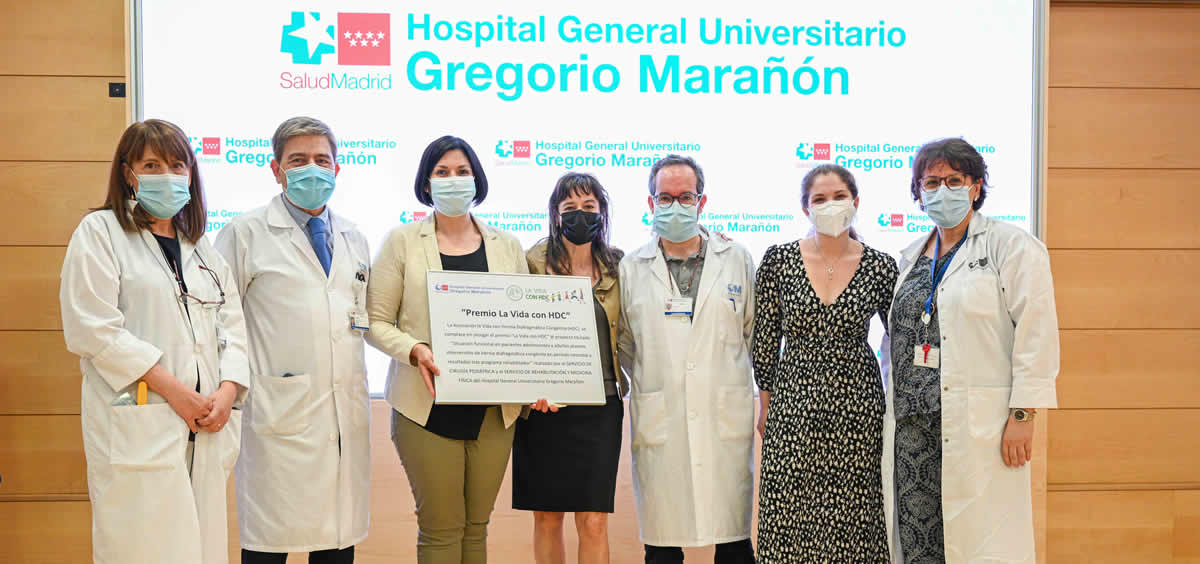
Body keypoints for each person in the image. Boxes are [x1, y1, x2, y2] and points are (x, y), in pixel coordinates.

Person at [60, 119, 249, 564]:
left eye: (177, 165)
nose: (167, 175)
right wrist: (178, 393)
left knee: (200, 548)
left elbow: (234, 329)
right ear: (128, 173)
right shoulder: (100, 232)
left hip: (204, 427)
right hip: (141, 419)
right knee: (142, 547)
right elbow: (93, 328)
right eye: (152, 165)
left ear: (191, 174)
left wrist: (227, 391)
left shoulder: (203, 250)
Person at [365, 135, 548, 563]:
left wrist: (540, 379)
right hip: (426, 408)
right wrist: (414, 349)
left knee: (476, 529)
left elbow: (525, 325)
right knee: (441, 530)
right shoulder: (402, 241)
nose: (453, 180)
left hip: (494, 411)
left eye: (462, 171)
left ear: (476, 179)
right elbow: (374, 322)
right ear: (426, 183)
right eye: (442, 172)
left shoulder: (507, 246)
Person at [882, 138, 1059, 563]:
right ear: (918, 192)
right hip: (911, 434)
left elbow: (1036, 334)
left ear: (976, 186)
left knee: (980, 542)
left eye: (954, 181)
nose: (941, 191)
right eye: (931, 183)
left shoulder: (1010, 246)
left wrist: (1023, 414)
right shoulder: (911, 257)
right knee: (919, 543)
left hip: (978, 428)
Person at [214, 117, 370, 564]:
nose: (312, 169)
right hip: (278, 412)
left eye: (322, 159)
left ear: (337, 168)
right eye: (298, 160)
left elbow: (362, 317)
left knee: (336, 545)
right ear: (276, 170)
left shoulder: (353, 237)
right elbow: (220, 321)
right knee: (269, 544)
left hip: (342, 414)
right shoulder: (245, 233)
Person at [751, 164, 897, 562]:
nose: (830, 205)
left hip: (858, 408)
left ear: (855, 202)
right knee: (791, 511)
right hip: (792, 405)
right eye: (820, 199)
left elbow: (900, 338)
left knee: (856, 513)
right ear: (805, 208)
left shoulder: (881, 265)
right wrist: (765, 406)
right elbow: (765, 340)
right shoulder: (779, 260)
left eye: (839, 197)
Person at [617, 155, 757, 564]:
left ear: (702, 201)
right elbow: (626, 344)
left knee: (733, 544)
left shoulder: (736, 258)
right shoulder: (631, 267)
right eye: (665, 197)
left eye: (686, 197)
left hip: (723, 421)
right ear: (651, 203)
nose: (675, 205)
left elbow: (751, 333)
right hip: (663, 420)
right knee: (662, 548)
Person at [512, 172, 626, 564]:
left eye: (589, 206)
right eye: (570, 207)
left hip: (601, 408)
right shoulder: (530, 262)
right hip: (544, 408)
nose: (580, 214)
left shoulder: (619, 266)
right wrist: (530, 387)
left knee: (593, 521)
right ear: (555, 214)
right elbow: (513, 329)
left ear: (602, 212)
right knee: (547, 516)